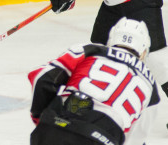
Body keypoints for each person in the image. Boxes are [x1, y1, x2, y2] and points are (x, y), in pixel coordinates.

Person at [29, 17, 160, 145]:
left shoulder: (90, 51)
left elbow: (42, 77)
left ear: (111, 39)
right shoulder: (151, 88)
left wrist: (43, 118)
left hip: (55, 127)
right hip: (102, 137)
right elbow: (136, 140)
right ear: (143, 51)